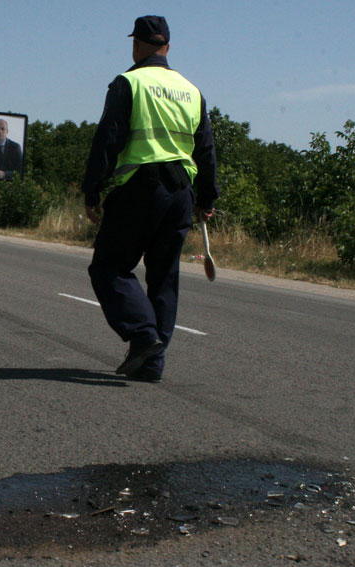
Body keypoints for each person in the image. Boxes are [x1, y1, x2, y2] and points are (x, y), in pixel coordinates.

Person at [82, 15, 219, 382]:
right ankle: (152, 365)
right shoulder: (192, 91)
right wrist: (207, 198)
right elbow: (206, 151)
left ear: (137, 45)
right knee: (163, 278)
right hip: (180, 195)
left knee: (109, 268)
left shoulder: (129, 82)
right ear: (168, 47)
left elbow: (107, 139)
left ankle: (143, 337)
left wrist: (92, 189)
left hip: (141, 189)